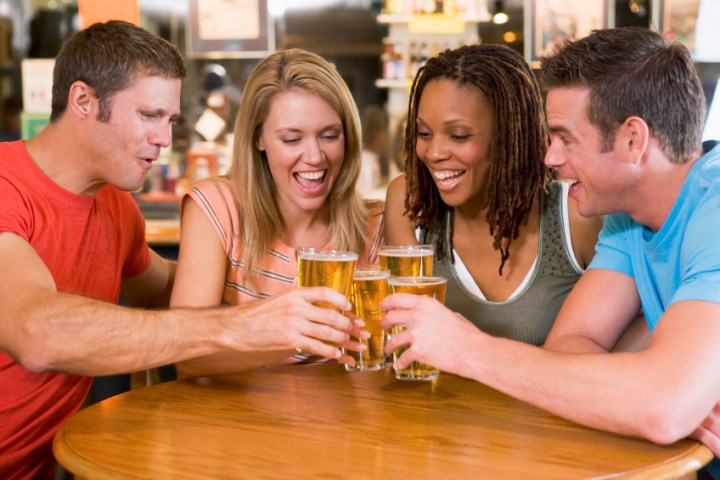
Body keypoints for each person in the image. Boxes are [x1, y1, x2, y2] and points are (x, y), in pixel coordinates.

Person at [0, 23, 363, 479]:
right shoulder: (6, 188)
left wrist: (254, 266)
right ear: (83, 101)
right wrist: (243, 326)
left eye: (169, 120)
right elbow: (38, 334)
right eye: (149, 115)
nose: (165, 139)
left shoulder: (115, 208)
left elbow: (167, 287)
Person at [381, 27, 720, 475]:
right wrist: (643, 394)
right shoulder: (625, 215)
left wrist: (467, 350)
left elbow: (661, 408)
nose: (549, 157)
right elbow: (570, 343)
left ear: (632, 141)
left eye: (564, 137)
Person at [170, 48, 384, 377]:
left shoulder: (377, 226)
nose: (314, 157)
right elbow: (187, 355)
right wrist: (293, 338)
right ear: (258, 138)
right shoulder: (217, 207)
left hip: (343, 425)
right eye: (291, 139)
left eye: (329, 136)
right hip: (233, 422)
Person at [384, 43, 603, 345]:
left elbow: (639, 330)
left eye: (458, 135)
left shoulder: (577, 216)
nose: (433, 153)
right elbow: (404, 340)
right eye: (423, 133)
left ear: (509, 136)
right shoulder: (410, 204)